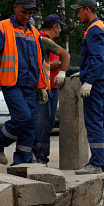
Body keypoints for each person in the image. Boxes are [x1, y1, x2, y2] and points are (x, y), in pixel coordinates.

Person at [0, 0, 49, 166]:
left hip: (31, 85)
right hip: (11, 84)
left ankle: (21, 164)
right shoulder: (2, 28)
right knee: (23, 118)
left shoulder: (34, 32)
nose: (26, 16)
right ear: (15, 9)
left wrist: (42, 85)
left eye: (30, 13)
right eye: (24, 12)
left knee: (31, 125)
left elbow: (39, 61)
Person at [70, 0, 104, 174]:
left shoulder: (94, 29)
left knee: (94, 121)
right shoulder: (99, 27)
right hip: (101, 81)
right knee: (102, 121)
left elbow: (97, 57)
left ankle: (95, 163)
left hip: (95, 83)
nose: (78, 15)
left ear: (87, 9)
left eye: (79, 11)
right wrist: (84, 71)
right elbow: (98, 58)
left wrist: (88, 81)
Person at [33, 14, 70, 165]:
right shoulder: (39, 39)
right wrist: (51, 66)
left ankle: (41, 156)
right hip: (42, 88)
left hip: (52, 87)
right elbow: (35, 63)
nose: (60, 30)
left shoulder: (51, 42)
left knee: (46, 124)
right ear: (55, 27)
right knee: (41, 124)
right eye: (60, 27)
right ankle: (40, 157)